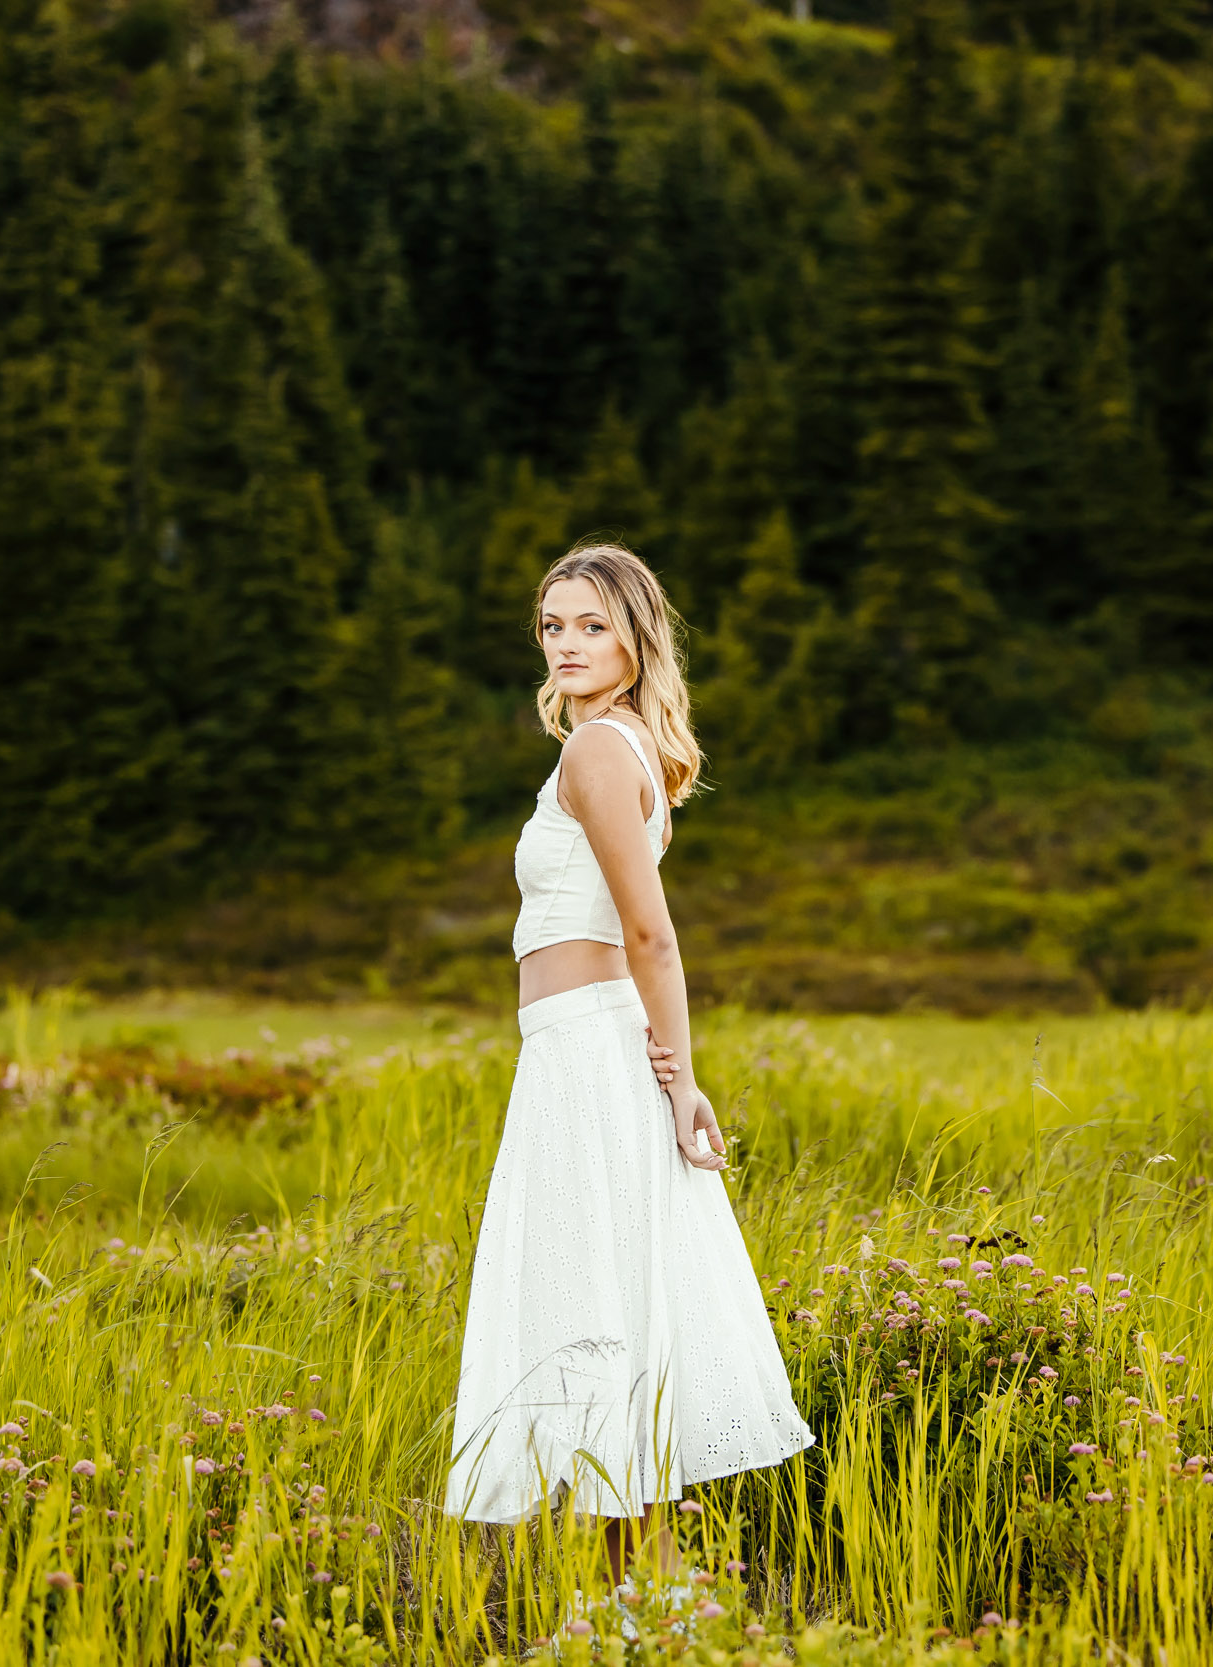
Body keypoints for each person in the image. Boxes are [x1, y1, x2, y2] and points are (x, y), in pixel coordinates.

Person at [442, 540, 815, 1583]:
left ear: (635, 637)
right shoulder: (624, 745)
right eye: (552, 626)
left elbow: (651, 933)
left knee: (596, 1305)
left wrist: (682, 1075)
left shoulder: (597, 750)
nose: (566, 643)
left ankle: (636, 1600)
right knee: (611, 1305)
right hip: (581, 1047)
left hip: (589, 1051)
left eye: (590, 624)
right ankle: (638, 1601)